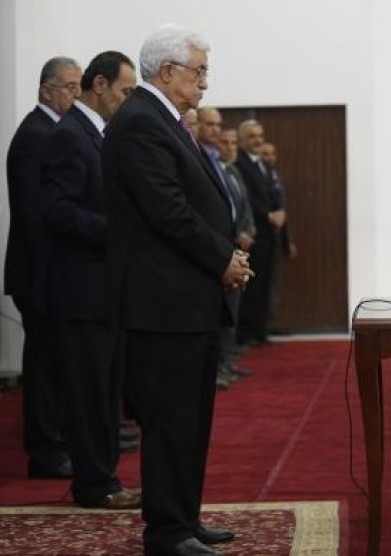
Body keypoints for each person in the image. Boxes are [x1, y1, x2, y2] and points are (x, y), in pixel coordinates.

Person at [103, 24, 253, 556]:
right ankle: (167, 533)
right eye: (200, 71)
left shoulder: (164, 120)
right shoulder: (141, 122)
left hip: (184, 299)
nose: (205, 82)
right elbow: (166, 211)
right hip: (161, 302)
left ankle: (184, 521)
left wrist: (223, 256)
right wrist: (222, 260)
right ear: (168, 71)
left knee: (190, 422)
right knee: (170, 423)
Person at [38, 51, 139, 509]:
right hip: (80, 291)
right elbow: (56, 213)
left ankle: (106, 478)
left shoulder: (96, 134)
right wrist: (116, 230)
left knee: (104, 392)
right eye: (124, 91)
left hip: (105, 288)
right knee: (88, 393)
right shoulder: (67, 137)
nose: (128, 99)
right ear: (99, 86)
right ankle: (95, 485)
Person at [5, 56, 82, 480]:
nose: (74, 93)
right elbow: (37, 215)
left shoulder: (55, 132)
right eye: (68, 86)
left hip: (50, 271)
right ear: (45, 90)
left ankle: (63, 438)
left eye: (77, 86)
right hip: (39, 271)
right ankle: (46, 450)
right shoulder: (37, 135)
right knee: (45, 366)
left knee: (57, 362)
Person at [197, 108, 254, 387]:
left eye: (218, 125)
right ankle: (216, 366)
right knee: (218, 312)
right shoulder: (201, 162)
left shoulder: (226, 169)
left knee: (232, 308)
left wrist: (246, 231)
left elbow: (240, 207)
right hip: (215, 246)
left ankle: (225, 361)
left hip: (234, 244)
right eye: (208, 124)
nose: (215, 131)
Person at [234, 120, 284, 347]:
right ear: (242, 139)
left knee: (264, 284)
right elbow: (248, 200)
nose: (258, 140)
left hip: (269, 234)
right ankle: (245, 333)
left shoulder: (262, 164)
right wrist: (267, 216)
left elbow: (273, 193)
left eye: (260, 135)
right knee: (251, 285)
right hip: (252, 233)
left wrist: (280, 211)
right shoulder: (239, 163)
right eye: (252, 136)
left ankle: (259, 330)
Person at [259, 141, 297, 334]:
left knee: (273, 284)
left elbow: (283, 210)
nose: (269, 157)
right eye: (265, 154)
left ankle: (271, 322)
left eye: (272, 153)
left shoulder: (274, 176)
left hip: (277, 238)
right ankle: (262, 326)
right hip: (262, 236)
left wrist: (288, 240)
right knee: (262, 286)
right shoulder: (260, 177)